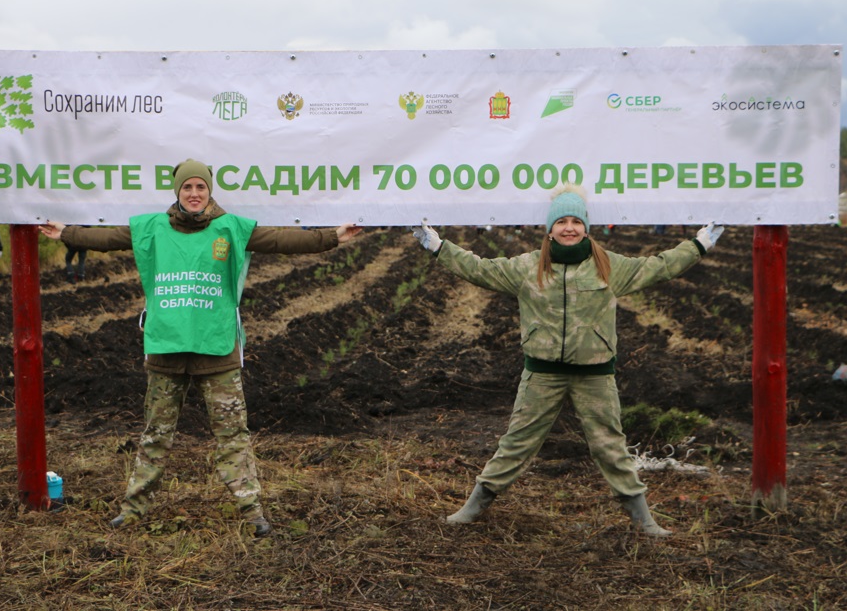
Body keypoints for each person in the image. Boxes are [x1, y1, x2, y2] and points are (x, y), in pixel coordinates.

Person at [39, 158, 363, 537]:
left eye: (201, 187)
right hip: (167, 348)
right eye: (188, 187)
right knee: (155, 434)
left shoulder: (232, 228)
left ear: (210, 191)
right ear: (178, 191)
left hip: (216, 350)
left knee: (233, 435)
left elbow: (283, 240)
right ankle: (133, 510)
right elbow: (108, 239)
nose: (194, 194)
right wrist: (66, 234)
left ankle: (252, 512)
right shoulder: (152, 227)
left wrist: (332, 236)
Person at [410, 184, 724, 537]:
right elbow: (478, 268)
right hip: (542, 375)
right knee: (517, 443)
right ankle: (473, 507)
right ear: (550, 228)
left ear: (586, 227)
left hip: (595, 377)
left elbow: (660, 266)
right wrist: (437, 247)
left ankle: (643, 520)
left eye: (577, 221)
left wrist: (698, 245)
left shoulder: (609, 266)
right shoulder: (527, 267)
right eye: (562, 222)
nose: (569, 228)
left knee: (610, 447)